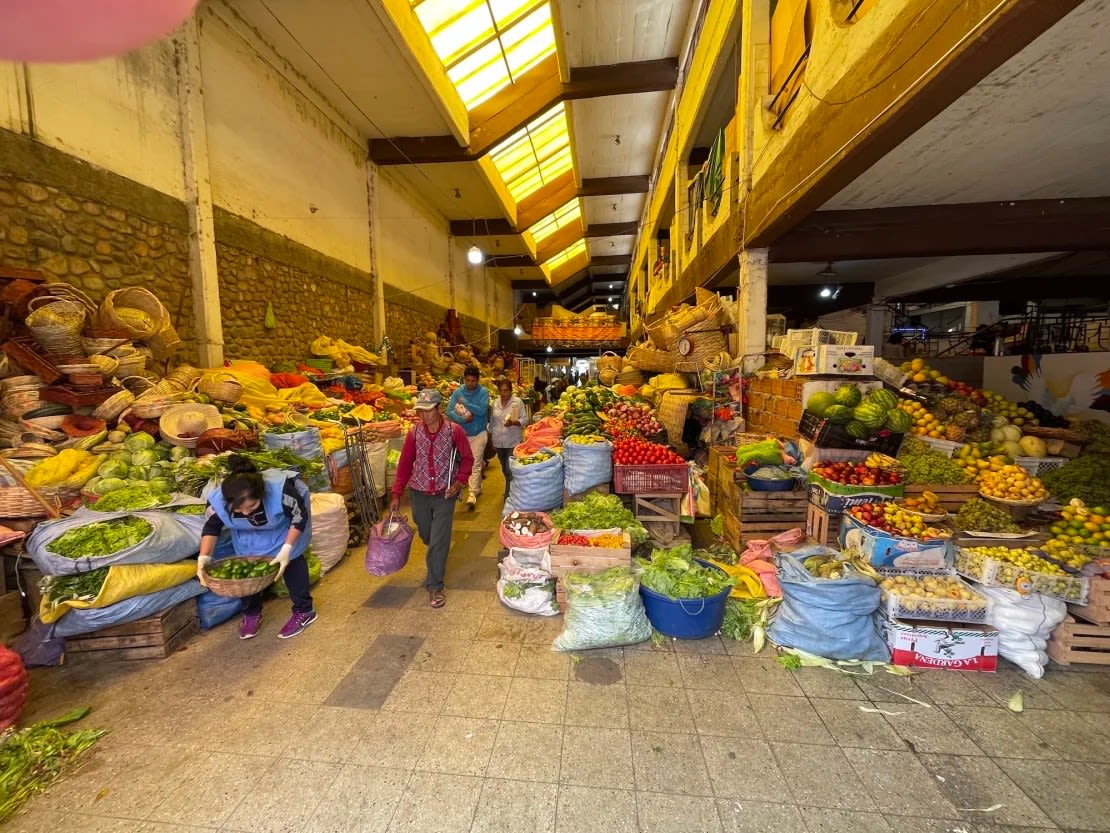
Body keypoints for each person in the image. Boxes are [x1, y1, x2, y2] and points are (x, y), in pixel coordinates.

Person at [197, 455, 315, 640]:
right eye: (238, 510)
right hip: (249, 535)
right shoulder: (218, 501)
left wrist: (286, 549)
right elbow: (212, 528)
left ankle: (304, 610)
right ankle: (251, 613)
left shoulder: (281, 492)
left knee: (292, 561)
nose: (245, 513)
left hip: (285, 527)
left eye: (251, 506)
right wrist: (204, 558)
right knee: (247, 571)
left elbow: (299, 517)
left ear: (261, 495)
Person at [391, 389, 474, 608]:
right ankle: (436, 550)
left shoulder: (454, 431)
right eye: (421, 412)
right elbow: (405, 464)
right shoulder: (414, 434)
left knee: (438, 542)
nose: (425, 416)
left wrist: (459, 483)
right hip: (419, 493)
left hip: (444, 493)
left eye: (429, 411)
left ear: (439, 409)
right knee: (426, 533)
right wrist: (396, 494)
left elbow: (467, 459)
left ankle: (435, 585)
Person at [446, 365, 490, 510]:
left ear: (478, 380)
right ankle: (476, 486)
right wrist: (464, 420)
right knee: (464, 463)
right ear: (464, 379)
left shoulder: (483, 392)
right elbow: (449, 412)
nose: (471, 384)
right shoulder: (458, 392)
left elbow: (482, 411)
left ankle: (472, 494)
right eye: (468, 380)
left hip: (479, 434)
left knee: (475, 463)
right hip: (462, 435)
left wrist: (465, 403)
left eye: (474, 381)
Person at [490, 377, 528, 499]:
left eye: (506, 390)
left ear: (511, 391)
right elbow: (492, 421)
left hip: (513, 441)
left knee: (509, 468)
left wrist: (513, 423)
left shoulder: (517, 402)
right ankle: (511, 486)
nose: (503, 393)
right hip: (498, 442)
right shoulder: (495, 403)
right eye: (501, 390)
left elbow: (525, 420)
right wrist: (491, 437)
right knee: (504, 468)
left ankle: (510, 494)